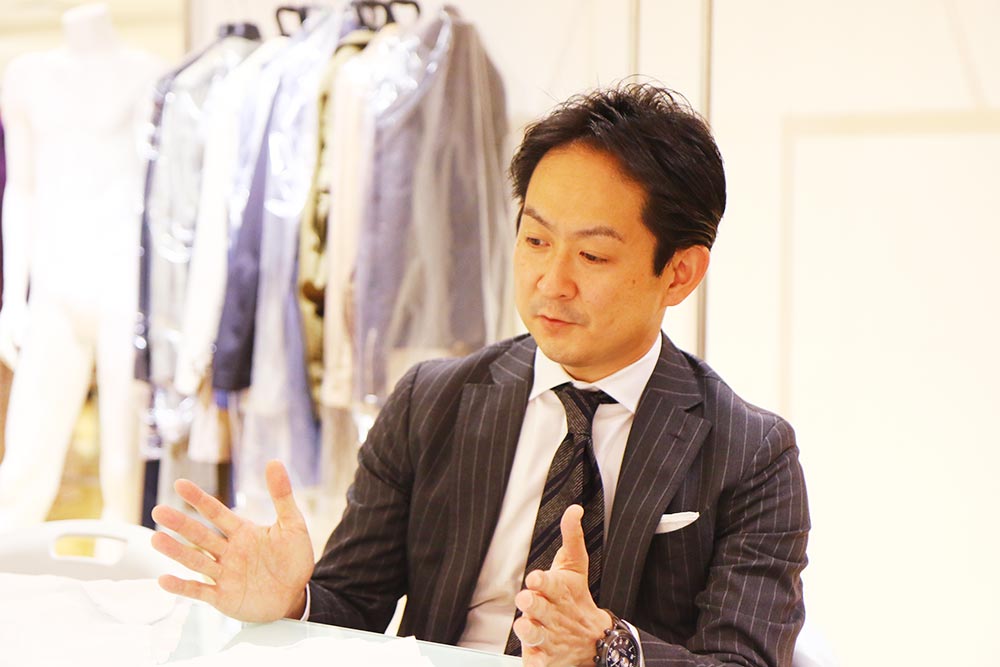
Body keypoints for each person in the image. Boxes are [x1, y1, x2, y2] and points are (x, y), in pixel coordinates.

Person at [151, 83, 810, 667]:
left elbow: (743, 658)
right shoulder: (431, 401)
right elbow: (352, 606)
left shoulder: (752, 453)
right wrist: (293, 602)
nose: (552, 281)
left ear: (680, 273)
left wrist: (607, 646)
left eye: (592, 255)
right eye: (535, 240)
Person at [0, 3, 161, 531]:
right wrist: (13, 296)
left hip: (123, 284)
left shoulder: (149, 73)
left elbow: (158, 196)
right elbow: (20, 190)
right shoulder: (25, 76)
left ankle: (124, 572)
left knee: (122, 465)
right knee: (25, 458)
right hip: (53, 285)